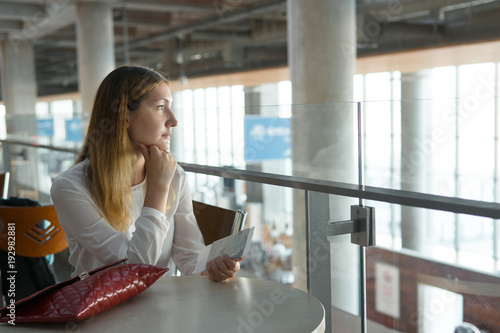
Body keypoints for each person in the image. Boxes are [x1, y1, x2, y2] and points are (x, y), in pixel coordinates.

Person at [50, 65, 240, 282]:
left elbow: (189, 257)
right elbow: (134, 271)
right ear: (124, 116)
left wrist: (213, 269)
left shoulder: (174, 175)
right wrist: (158, 190)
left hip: (163, 305)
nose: (173, 120)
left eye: (171, 107)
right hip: (102, 310)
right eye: (160, 107)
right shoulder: (70, 187)